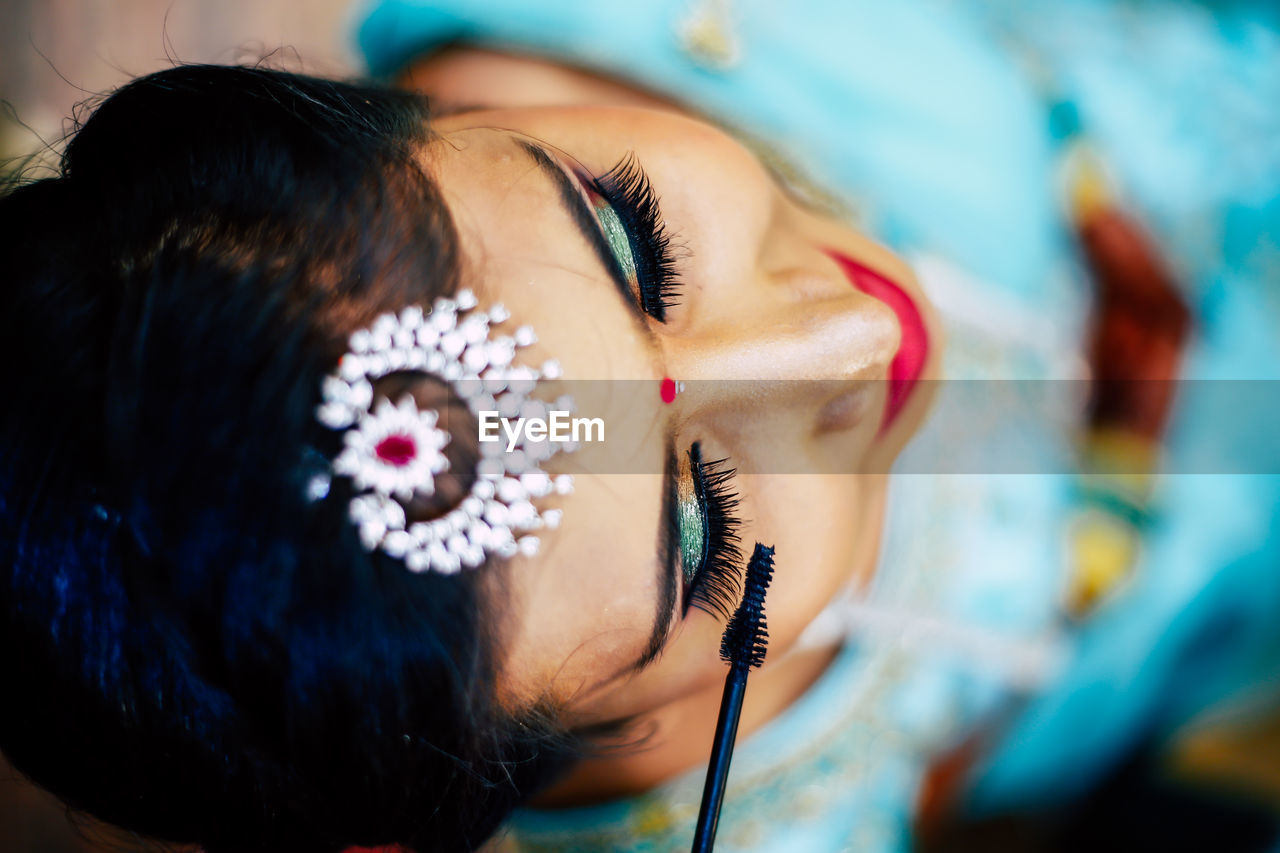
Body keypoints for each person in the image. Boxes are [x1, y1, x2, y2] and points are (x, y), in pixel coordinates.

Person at [3, 2, 1278, 853]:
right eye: (703, 526)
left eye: (631, 240)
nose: (855, 341)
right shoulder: (792, 808)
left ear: (403, 121)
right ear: (568, 742)